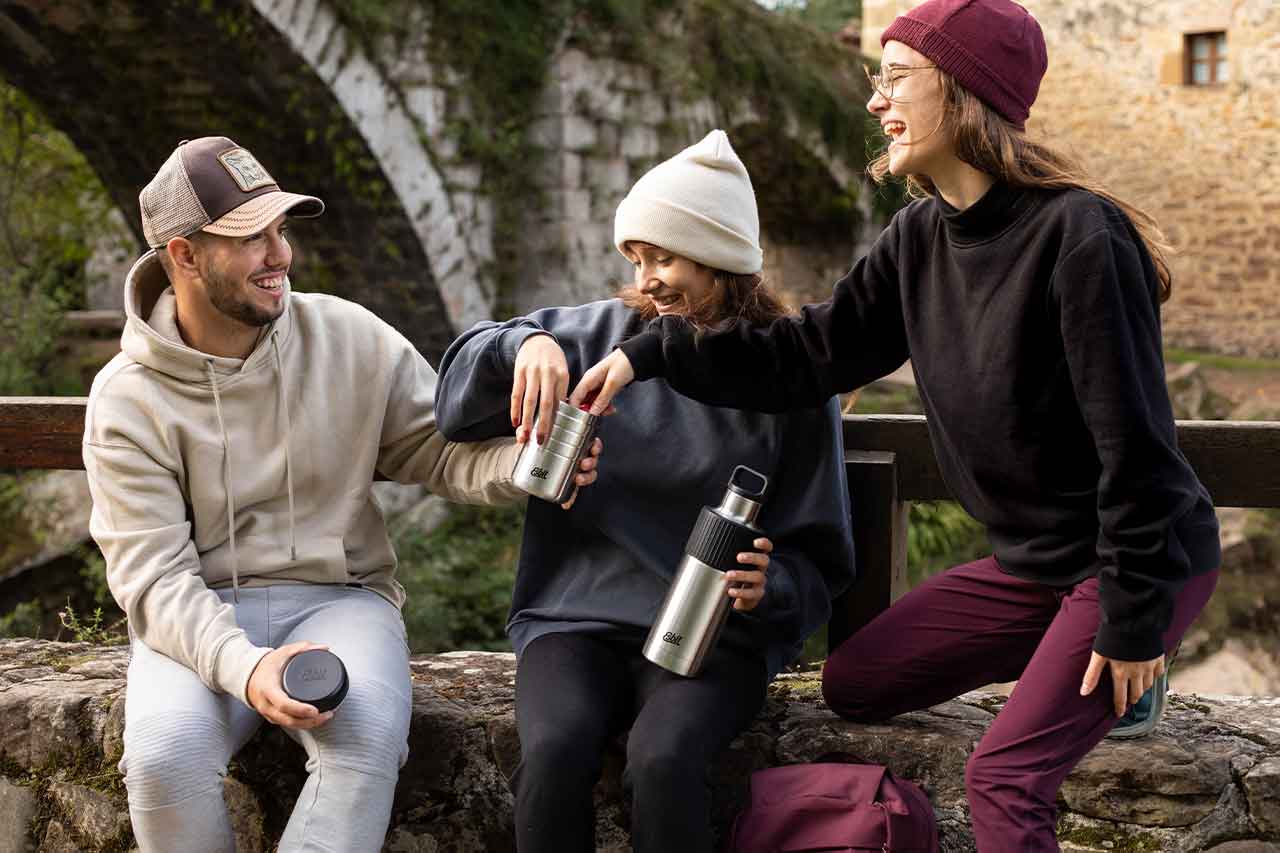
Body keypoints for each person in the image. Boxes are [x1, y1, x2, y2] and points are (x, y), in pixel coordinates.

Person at [569, 2, 1221, 848]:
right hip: (1030, 570)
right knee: (854, 683)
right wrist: (651, 354)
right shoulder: (917, 237)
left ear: (965, 91)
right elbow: (806, 356)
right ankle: (1071, 674)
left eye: (898, 76)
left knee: (1004, 775)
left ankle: (1114, 672)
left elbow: (1134, 446)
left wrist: (1134, 620)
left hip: (1134, 562)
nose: (876, 100)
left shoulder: (1078, 237)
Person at [82, 136, 599, 852]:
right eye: (249, 238)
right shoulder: (125, 398)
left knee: (363, 746)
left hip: (342, 597)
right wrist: (245, 664)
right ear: (183, 255)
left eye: (280, 230)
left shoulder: (351, 336)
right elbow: (154, 578)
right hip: (197, 608)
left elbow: (436, 449)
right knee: (163, 760)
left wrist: (528, 464)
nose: (279, 255)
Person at [433, 129, 856, 853]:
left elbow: (819, 556)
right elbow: (451, 404)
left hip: (712, 636)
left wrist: (770, 583)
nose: (646, 277)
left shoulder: (786, 374)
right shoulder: (594, 334)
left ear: (722, 258)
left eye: (664, 256)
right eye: (636, 258)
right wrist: (520, 342)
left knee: (662, 761)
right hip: (573, 616)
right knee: (555, 750)